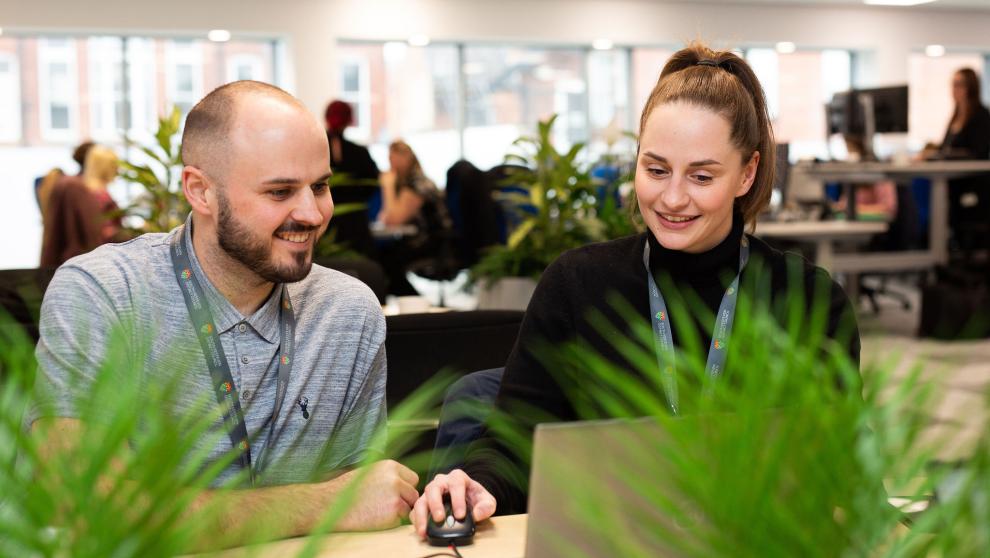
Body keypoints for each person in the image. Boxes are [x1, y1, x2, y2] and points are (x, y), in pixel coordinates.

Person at [410, 43, 861, 535]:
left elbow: (834, 465)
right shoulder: (578, 284)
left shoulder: (807, 300)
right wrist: (479, 485)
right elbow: (512, 443)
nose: (672, 198)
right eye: (656, 169)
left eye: (702, 176)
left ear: (747, 174)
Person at [30, 81, 419, 546]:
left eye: (320, 186)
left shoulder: (349, 313)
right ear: (200, 191)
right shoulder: (105, 295)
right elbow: (89, 511)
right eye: (280, 192)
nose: (313, 213)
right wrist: (323, 504)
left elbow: (364, 511)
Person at [923, 68, 990, 251]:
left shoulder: (981, 116)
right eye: (952, 84)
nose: (954, 89)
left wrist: (942, 155)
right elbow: (946, 147)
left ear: (971, 87)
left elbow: (977, 152)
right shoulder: (955, 116)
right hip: (952, 183)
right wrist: (929, 154)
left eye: (959, 84)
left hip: (972, 185)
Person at [376, 140, 452, 295]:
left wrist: (388, 186)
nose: (390, 164)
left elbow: (392, 219)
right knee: (384, 256)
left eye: (392, 158)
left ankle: (414, 302)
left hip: (435, 243)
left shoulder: (417, 184)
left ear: (405, 158)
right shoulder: (410, 183)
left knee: (387, 261)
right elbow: (386, 216)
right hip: (423, 240)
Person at [40, 145, 124, 268]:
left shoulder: (79, 188)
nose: (119, 170)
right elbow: (98, 233)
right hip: (93, 261)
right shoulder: (93, 194)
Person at [324, 100, 380, 257]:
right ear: (349, 119)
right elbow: (372, 183)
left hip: (327, 227)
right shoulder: (359, 152)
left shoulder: (315, 151)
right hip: (356, 224)